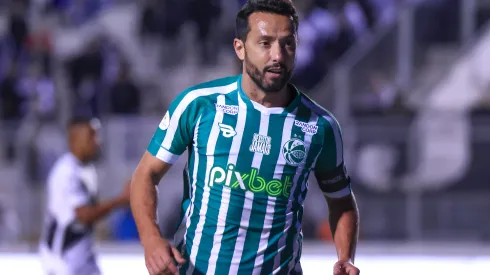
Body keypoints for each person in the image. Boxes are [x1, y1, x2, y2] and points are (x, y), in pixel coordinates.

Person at [130, 0, 360, 274]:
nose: (278, 55)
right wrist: (151, 239)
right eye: (265, 43)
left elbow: (341, 201)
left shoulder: (320, 126)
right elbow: (145, 174)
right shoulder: (199, 104)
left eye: (287, 44)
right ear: (240, 48)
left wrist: (345, 258)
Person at [39, 117, 131, 275]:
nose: (97, 141)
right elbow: (84, 215)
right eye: (91, 136)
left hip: (82, 258)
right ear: (74, 139)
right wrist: (121, 200)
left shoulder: (85, 169)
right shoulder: (66, 172)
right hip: (63, 262)